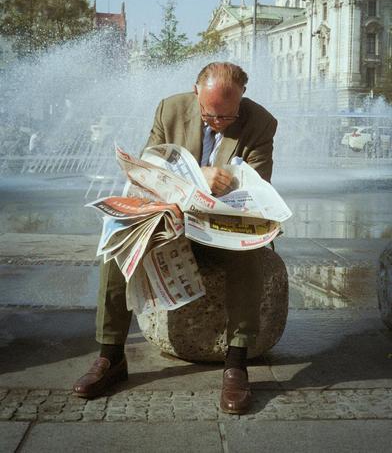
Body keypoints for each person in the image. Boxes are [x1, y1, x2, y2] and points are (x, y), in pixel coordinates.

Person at [73, 61, 278, 414]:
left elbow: (259, 189)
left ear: (242, 98)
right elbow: (149, 171)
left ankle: (236, 362)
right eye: (209, 114)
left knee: (250, 253)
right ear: (196, 91)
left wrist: (225, 187)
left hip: (225, 227)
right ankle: (111, 356)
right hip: (174, 220)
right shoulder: (170, 109)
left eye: (227, 117)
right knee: (118, 241)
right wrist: (197, 179)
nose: (216, 123)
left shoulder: (261, 122)